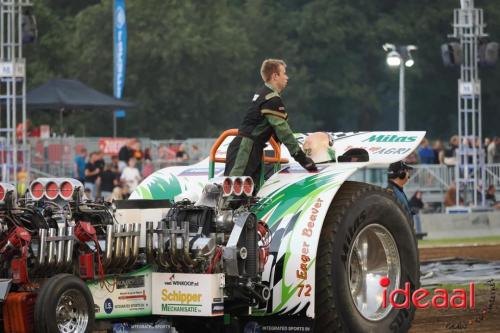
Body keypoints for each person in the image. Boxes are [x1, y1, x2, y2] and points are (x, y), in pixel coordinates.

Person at [224, 59, 316, 185]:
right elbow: (284, 132)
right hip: (246, 150)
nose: (287, 77)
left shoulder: (262, 93)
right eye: (284, 73)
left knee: (246, 197)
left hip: (246, 148)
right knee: (234, 195)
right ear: (275, 76)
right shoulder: (271, 99)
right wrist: (302, 159)